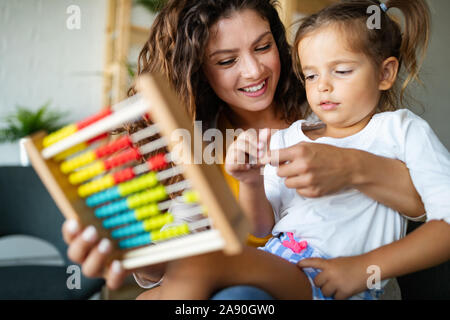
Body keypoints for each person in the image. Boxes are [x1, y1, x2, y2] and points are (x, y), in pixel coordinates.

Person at [62, 0, 429, 298]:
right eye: (226, 61)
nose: (253, 71)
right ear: (198, 71)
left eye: (263, 46)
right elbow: (169, 271)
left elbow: (421, 203)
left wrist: (347, 167)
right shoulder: (190, 146)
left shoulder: (329, 105)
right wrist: (131, 250)